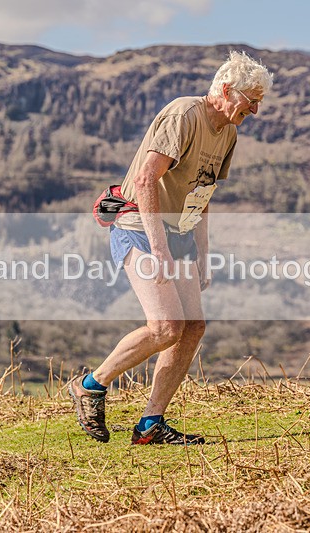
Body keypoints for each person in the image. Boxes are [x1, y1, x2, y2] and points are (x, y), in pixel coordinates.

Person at [70, 50, 273, 445]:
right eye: (252, 100)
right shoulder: (184, 115)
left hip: (179, 232)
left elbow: (204, 193)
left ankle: (150, 425)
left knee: (192, 327)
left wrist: (202, 252)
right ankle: (90, 385)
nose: (256, 110)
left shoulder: (229, 133)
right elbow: (147, 180)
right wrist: (160, 249)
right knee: (165, 327)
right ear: (227, 90)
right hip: (138, 225)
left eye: (259, 102)